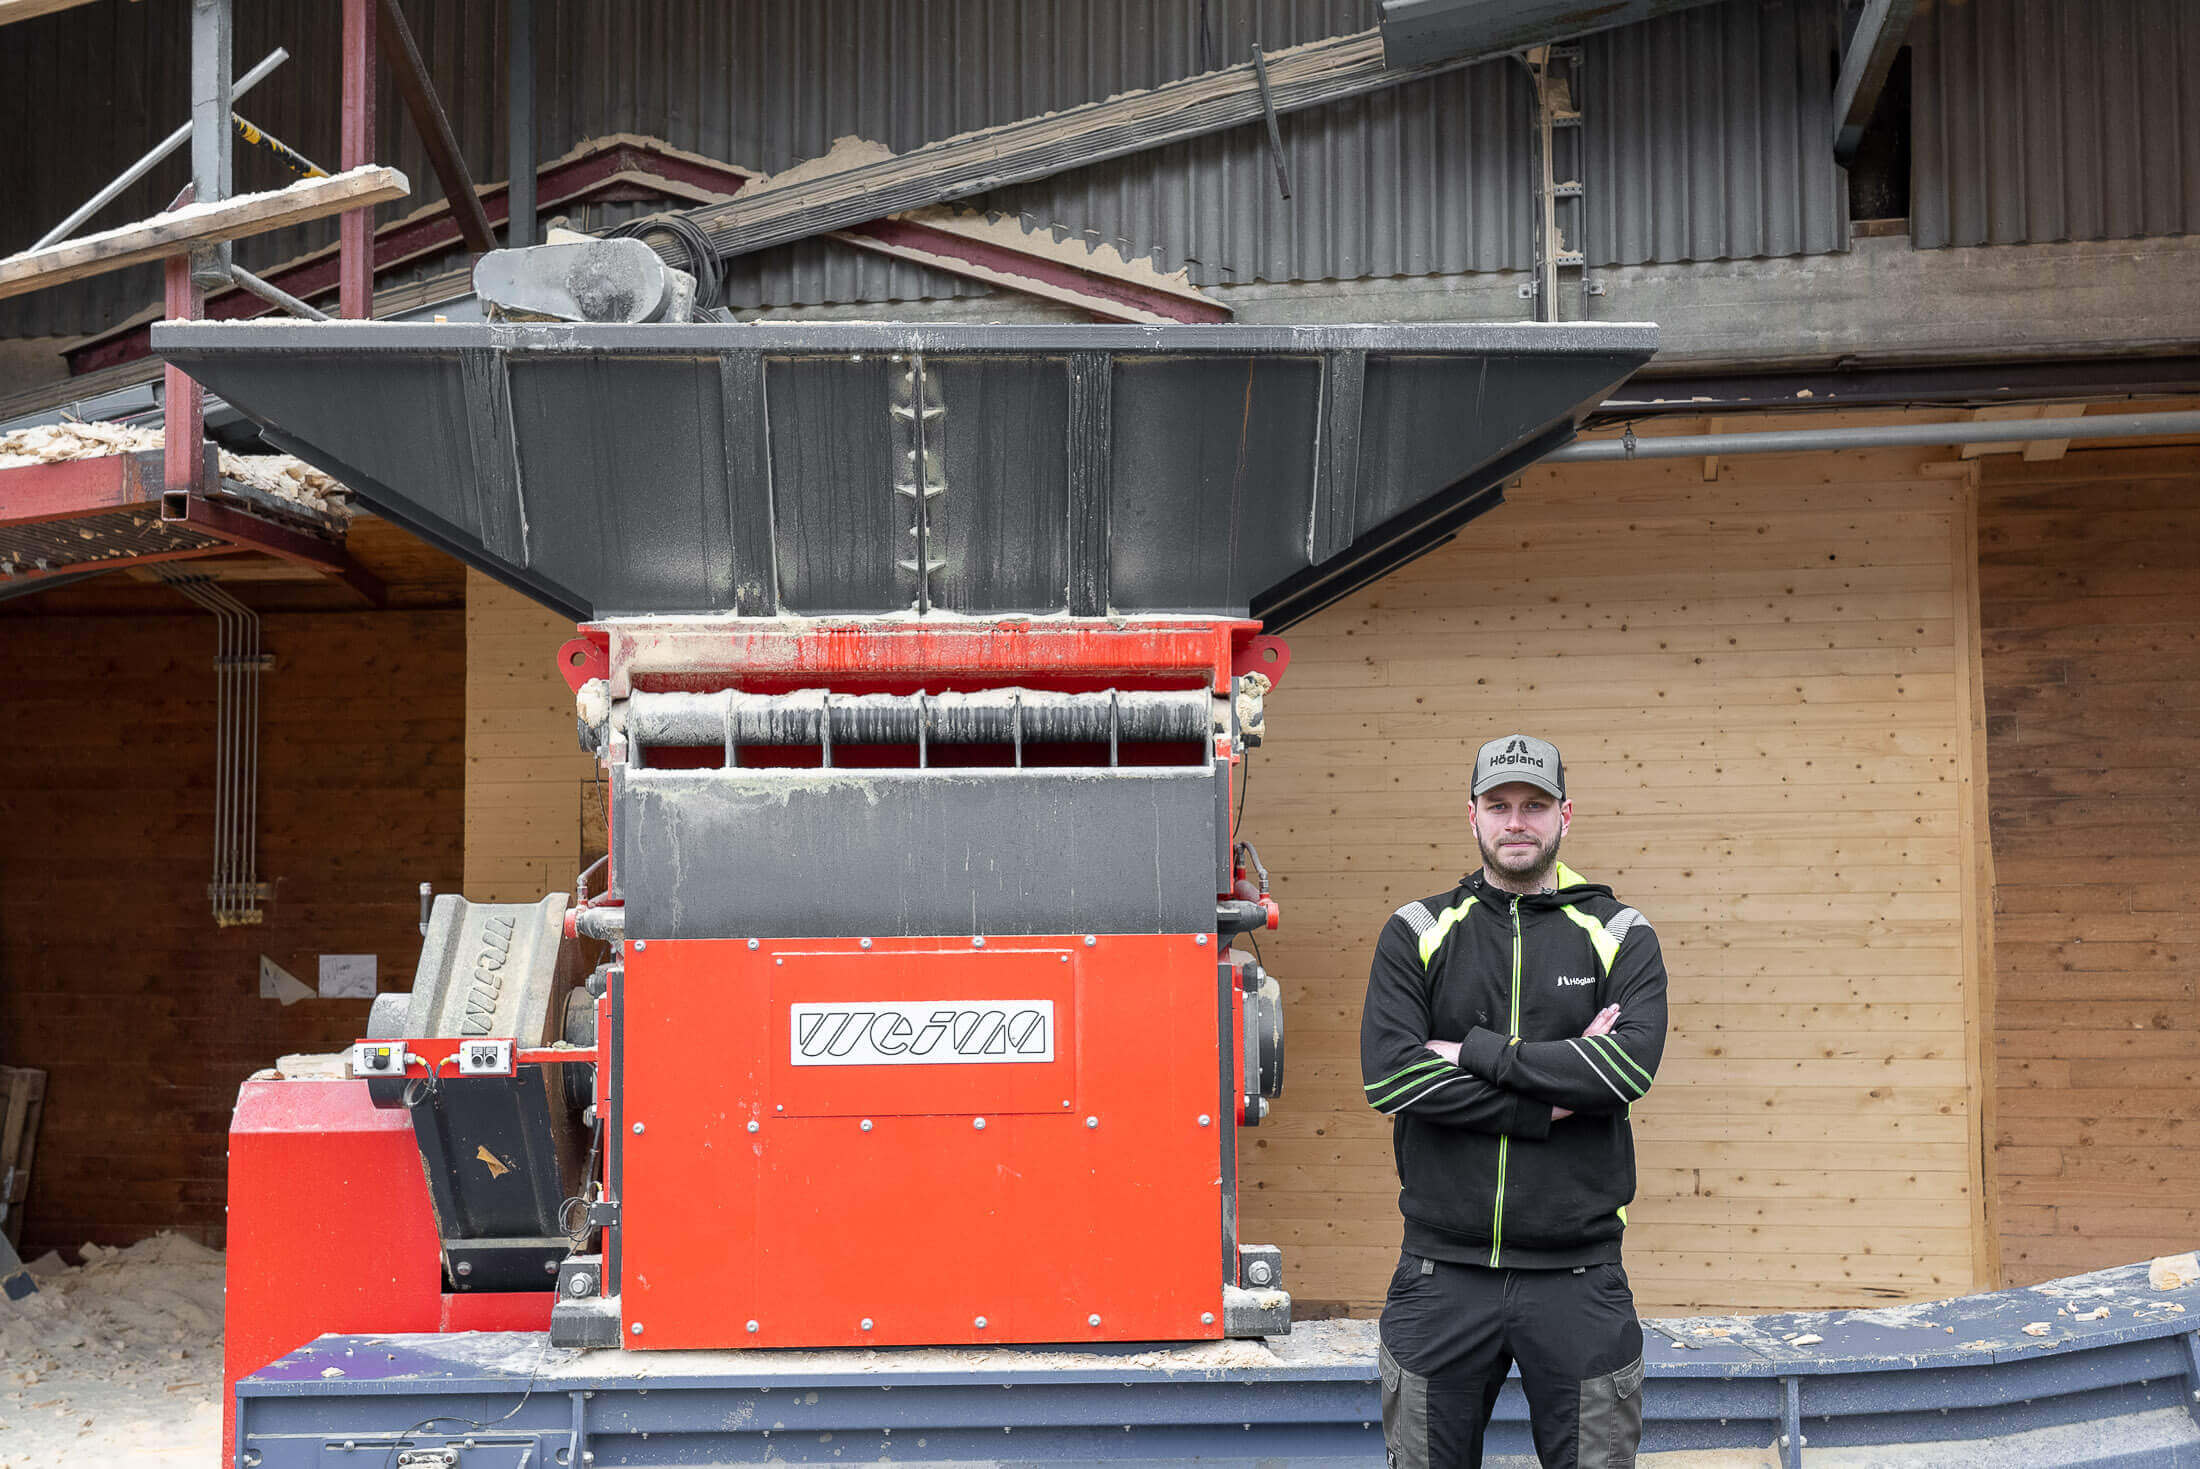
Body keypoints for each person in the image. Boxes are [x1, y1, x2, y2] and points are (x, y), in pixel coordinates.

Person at [1359, 733, 1668, 1469]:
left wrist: (1470, 1051)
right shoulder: (1418, 930)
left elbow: (1623, 1070)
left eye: (1535, 805)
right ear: (1472, 816)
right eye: (1499, 805)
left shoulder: (1619, 933)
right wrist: (1546, 1101)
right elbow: (1392, 1077)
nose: (1517, 821)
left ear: (1566, 814)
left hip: (1579, 1278)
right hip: (1440, 1275)